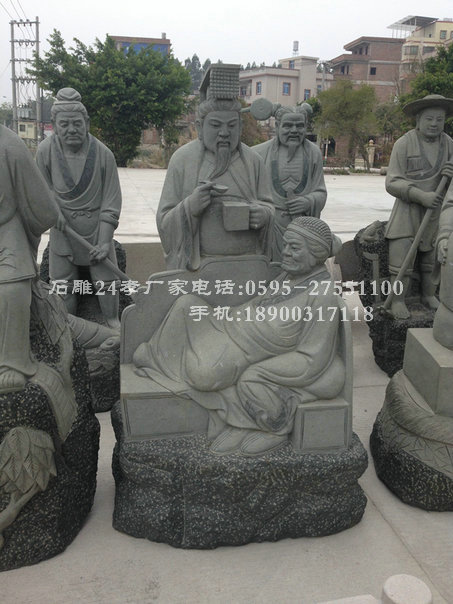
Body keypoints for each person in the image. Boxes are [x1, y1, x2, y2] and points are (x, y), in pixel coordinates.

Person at [133, 217, 344, 456]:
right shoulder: (289, 276)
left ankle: (264, 425)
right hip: (232, 326)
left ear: (316, 254)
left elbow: (312, 357)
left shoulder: (321, 295)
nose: (285, 252)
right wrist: (221, 317)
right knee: (186, 304)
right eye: (285, 245)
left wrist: (261, 371)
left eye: (294, 248)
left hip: (249, 351)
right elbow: (255, 305)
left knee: (203, 375)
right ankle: (157, 358)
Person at [157, 64, 274, 270]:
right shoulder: (182, 160)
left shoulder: (253, 161)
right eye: (215, 125)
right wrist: (190, 207)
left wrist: (264, 215)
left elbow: (270, 207)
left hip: (248, 264)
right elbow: (164, 221)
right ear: (200, 128)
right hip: (201, 266)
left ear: (240, 126)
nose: (224, 133)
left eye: (232, 125)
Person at [36, 88, 122, 329]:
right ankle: (68, 326)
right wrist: (52, 211)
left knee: (107, 282)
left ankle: (112, 321)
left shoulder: (104, 155)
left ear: (87, 123)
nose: (71, 129)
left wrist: (104, 242)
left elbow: (111, 202)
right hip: (63, 231)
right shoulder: (45, 151)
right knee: (62, 284)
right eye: (64, 124)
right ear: (54, 125)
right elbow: (40, 189)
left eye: (77, 123)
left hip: (97, 231)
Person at [385, 94, 453, 319]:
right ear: (418, 120)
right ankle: (398, 300)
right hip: (407, 211)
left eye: (439, 119)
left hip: (436, 212)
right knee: (401, 260)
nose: (434, 124)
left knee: (432, 259)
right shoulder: (404, 143)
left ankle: (428, 294)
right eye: (429, 119)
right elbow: (392, 182)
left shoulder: (449, 145)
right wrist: (420, 195)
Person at [0, 125, 57, 393]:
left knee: (11, 289)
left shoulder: (9, 144)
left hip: (5, 230)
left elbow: (43, 209)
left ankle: (11, 362)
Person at [253, 104, 327, 261]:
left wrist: (308, 201)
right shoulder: (258, 154)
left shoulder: (313, 153)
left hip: (302, 226)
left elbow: (321, 191)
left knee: (298, 265)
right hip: (270, 225)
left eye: (299, 126)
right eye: (288, 126)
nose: (294, 130)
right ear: (277, 126)